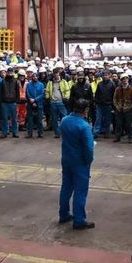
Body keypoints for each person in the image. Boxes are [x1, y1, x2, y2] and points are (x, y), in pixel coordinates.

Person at [58, 99, 95, 230]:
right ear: (85, 110)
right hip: (80, 162)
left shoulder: (64, 120)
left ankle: (64, 214)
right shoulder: (84, 126)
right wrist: (88, 161)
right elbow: (89, 149)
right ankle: (79, 220)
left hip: (66, 159)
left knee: (66, 187)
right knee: (80, 191)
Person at [45, 68, 70, 138]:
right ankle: (57, 133)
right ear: (53, 74)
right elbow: (47, 91)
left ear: (59, 74)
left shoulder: (64, 82)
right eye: (55, 73)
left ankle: (65, 132)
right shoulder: (50, 82)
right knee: (54, 119)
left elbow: (67, 90)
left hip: (61, 102)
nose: (56, 75)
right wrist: (48, 97)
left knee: (64, 118)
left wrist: (65, 98)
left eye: (57, 73)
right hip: (53, 103)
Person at [113, 73, 132, 143]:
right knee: (118, 124)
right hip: (119, 109)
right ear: (121, 80)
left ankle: (130, 137)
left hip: (128, 110)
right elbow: (114, 99)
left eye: (126, 79)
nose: (124, 80)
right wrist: (117, 107)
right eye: (123, 79)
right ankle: (117, 137)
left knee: (128, 124)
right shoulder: (118, 89)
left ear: (128, 80)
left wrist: (129, 108)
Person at [0, 68, 20, 139]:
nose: (10, 73)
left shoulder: (15, 81)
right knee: (4, 118)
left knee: (14, 118)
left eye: (11, 72)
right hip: (4, 103)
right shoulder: (3, 82)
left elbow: (17, 92)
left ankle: (15, 132)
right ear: (7, 73)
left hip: (13, 102)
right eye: (9, 72)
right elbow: (0, 92)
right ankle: (4, 132)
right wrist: (1, 101)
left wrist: (17, 101)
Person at [93, 71, 115, 138]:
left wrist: (112, 104)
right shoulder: (99, 84)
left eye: (106, 75)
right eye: (103, 75)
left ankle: (106, 132)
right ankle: (95, 133)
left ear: (109, 75)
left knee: (107, 119)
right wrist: (96, 102)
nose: (105, 76)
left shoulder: (112, 84)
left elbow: (114, 95)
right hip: (100, 104)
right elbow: (97, 94)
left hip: (108, 104)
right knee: (98, 119)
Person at [25, 72, 45, 138]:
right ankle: (29, 133)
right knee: (30, 120)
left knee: (39, 120)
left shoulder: (41, 85)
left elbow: (42, 94)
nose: (35, 77)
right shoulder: (28, 85)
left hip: (39, 104)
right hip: (30, 104)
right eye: (33, 76)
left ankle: (40, 133)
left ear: (37, 77)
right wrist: (31, 100)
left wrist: (35, 100)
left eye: (36, 76)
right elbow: (27, 93)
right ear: (31, 77)